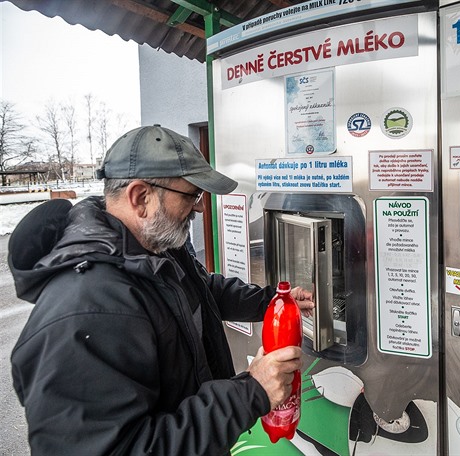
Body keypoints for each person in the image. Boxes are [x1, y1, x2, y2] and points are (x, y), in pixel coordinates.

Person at [8, 125, 314, 455]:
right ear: (141, 197)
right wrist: (250, 393)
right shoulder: (85, 311)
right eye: (192, 195)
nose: (199, 208)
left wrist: (274, 301)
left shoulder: (154, 247)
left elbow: (202, 290)